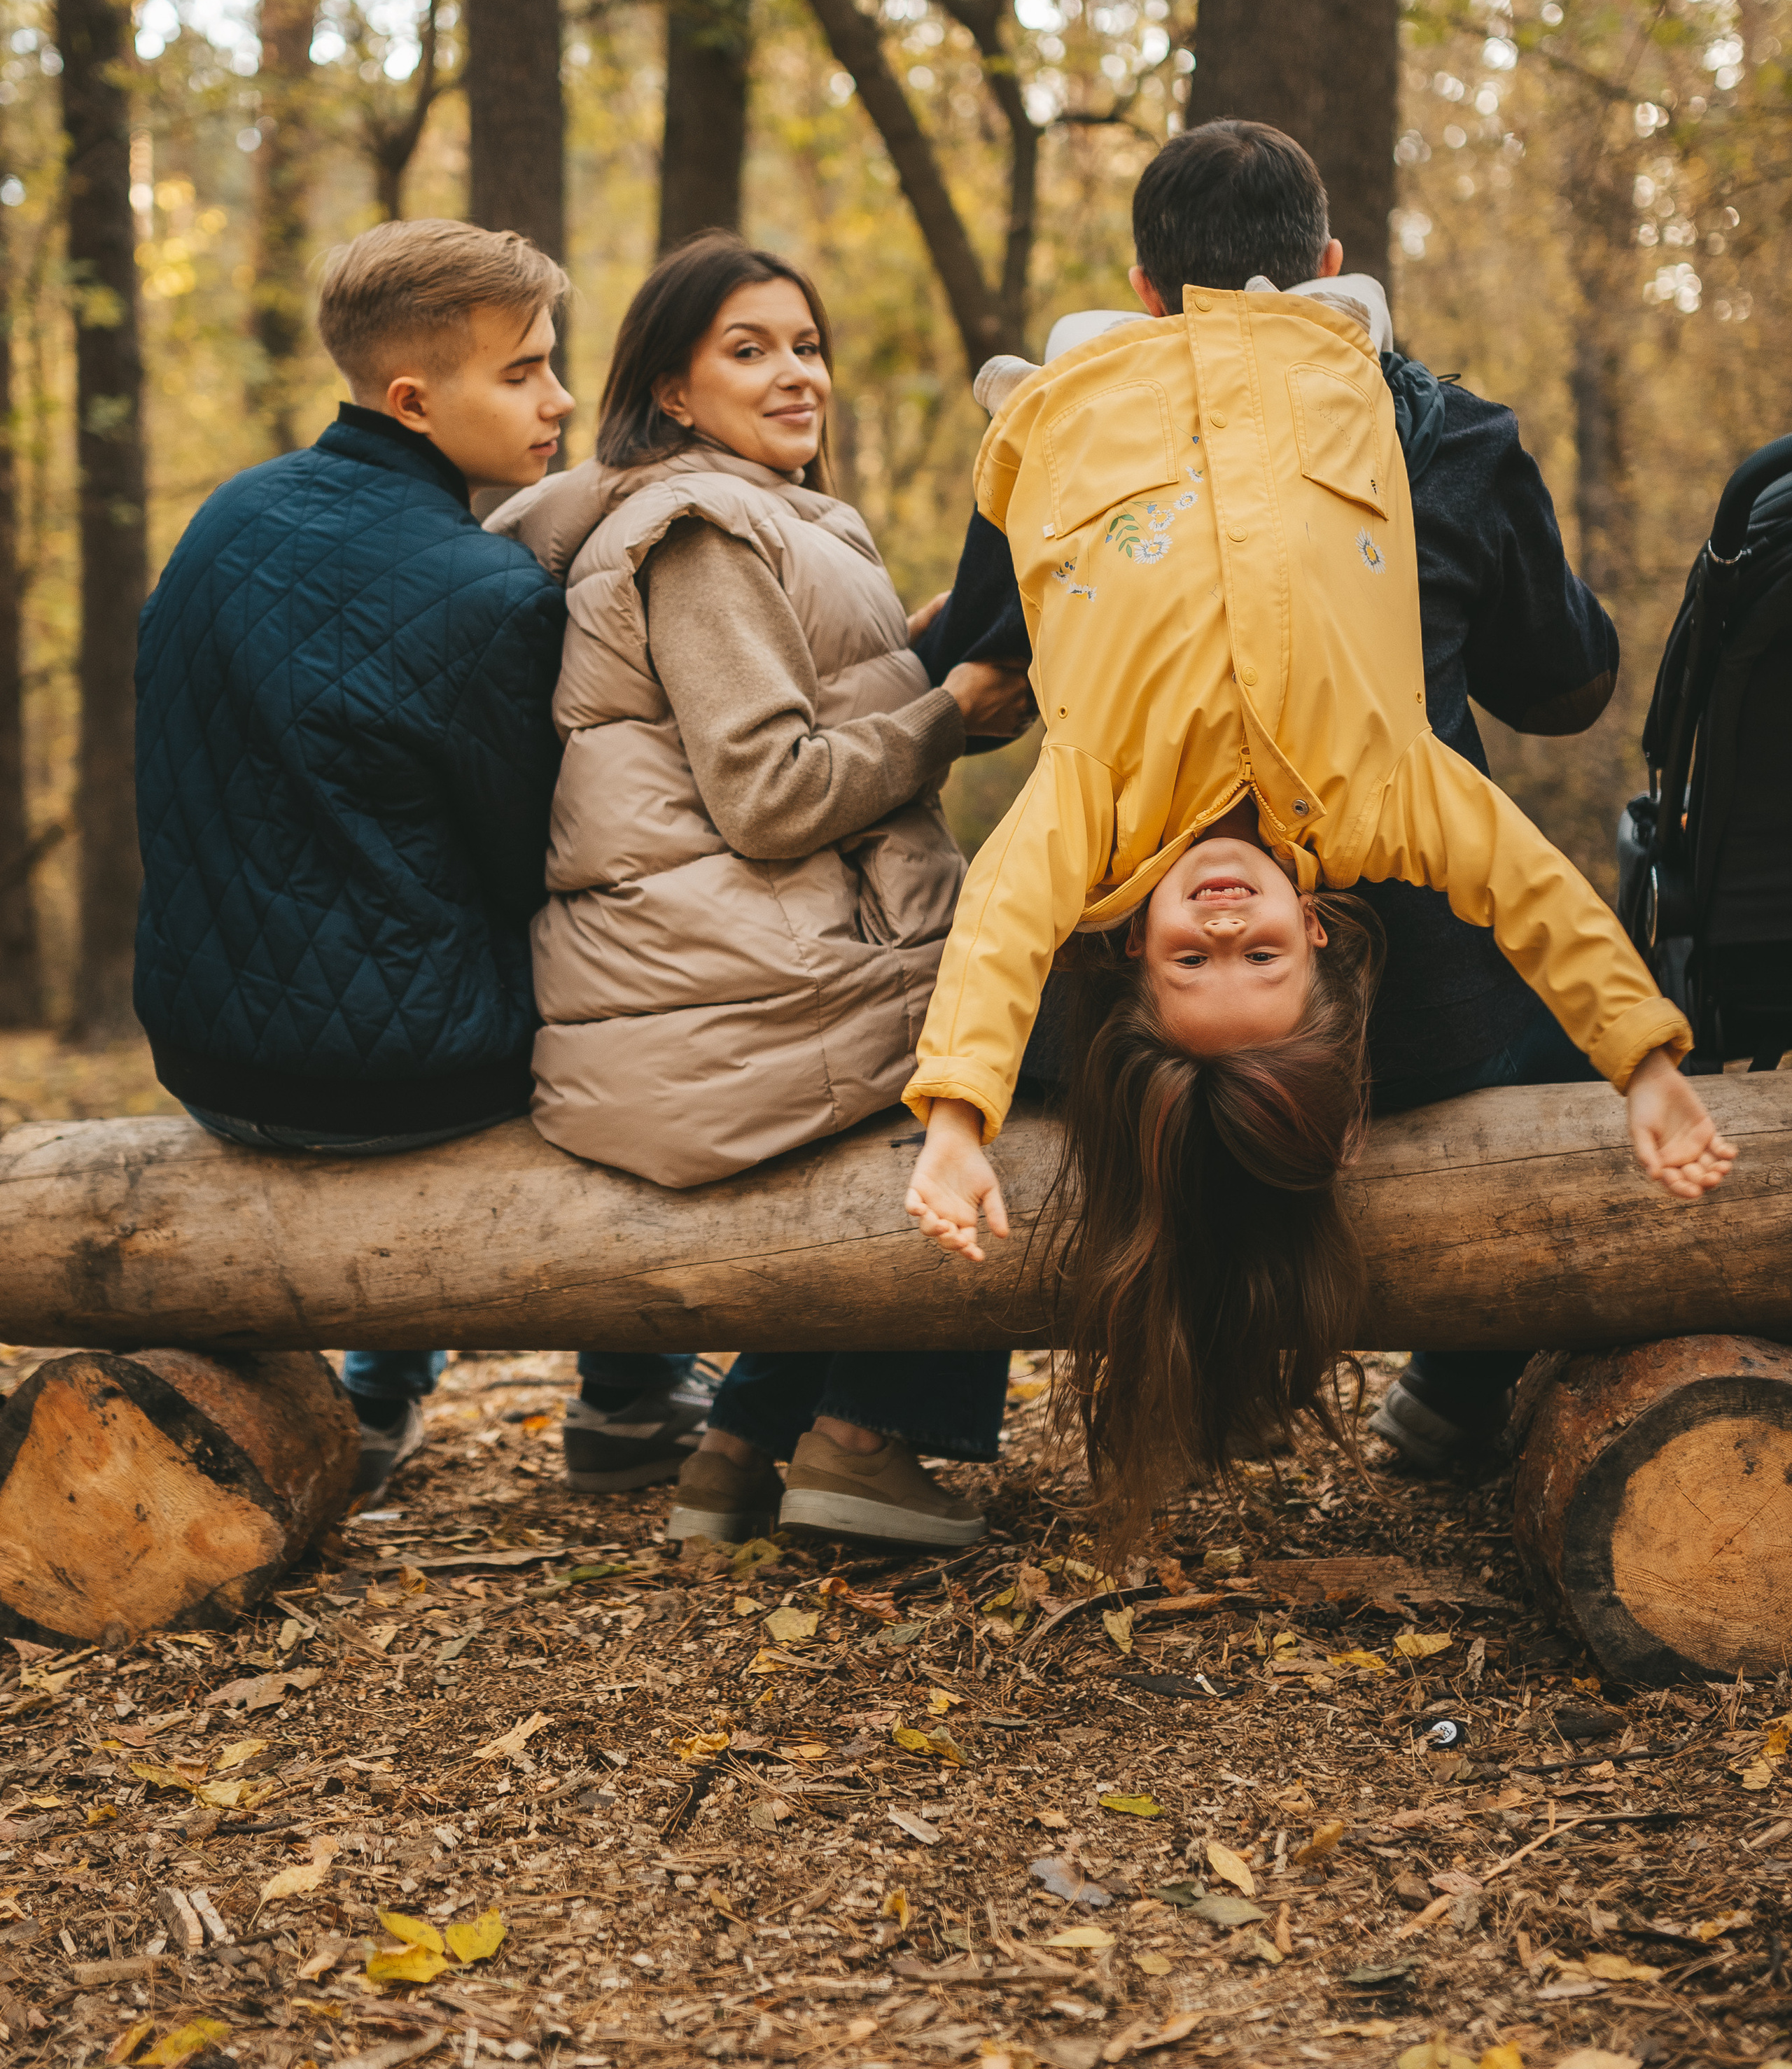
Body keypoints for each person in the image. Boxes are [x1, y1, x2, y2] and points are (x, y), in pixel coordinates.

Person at [899, 122, 1733, 1555]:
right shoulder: (1377, 770)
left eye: (1191, 947)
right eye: (1256, 947)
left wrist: (955, 1114)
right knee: (1529, 1025)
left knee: (1041, 402)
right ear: (1322, 941)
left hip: (1092, 421)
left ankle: (889, 1410)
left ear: (1143, 285)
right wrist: (1642, 1059)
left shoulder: (1095, 801)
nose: (1220, 909)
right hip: (1437, 1016)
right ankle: (1460, 1390)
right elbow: (1532, 883)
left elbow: (997, 920)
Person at [134, 220, 710, 1499]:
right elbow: (535, 868)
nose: (560, 400)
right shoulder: (485, 591)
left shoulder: (228, 518)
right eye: (523, 373)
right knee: (611, 989)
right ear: (412, 398)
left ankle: (383, 1388)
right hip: (396, 1087)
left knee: (399, 964)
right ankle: (633, 1388)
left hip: (204, 1057)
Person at [489, 231, 1033, 1551]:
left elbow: (785, 696)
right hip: (728, 997)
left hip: (724, 970)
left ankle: (739, 1449)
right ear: (673, 391)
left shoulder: (750, 515)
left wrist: (932, 645)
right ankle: (867, 1442)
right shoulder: (701, 527)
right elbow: (771, 793)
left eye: (805, 345)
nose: (798, 375)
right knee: (1013, 1057)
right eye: (750, 351)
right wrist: (951, 710)